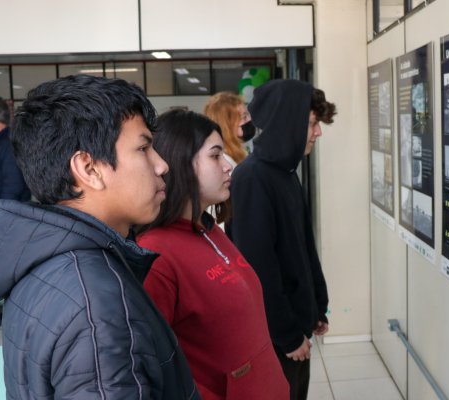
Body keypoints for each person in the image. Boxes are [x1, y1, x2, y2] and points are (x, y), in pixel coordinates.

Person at [0, 75, 200, 399]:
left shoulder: (44, 258)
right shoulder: (97, 307)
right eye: (143, 148)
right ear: (88, 169)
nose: (161, 165)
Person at [137, 109, 288, 400]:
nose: (228, 166)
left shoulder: (207, 229)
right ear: (180, 162)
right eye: (215, 155)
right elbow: (153, 367)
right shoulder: (156, 255)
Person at [230, 79, 336, 400]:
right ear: (287, 122)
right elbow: (259, 268)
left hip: (294, 324)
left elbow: (303, 249)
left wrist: (317, 305)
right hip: (276, 338)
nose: (317, 133)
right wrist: (288, 335)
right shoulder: (252, 178)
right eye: (312, 124)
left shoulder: (285, 174)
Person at [203, 92, 255, 168]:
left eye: (247, 114)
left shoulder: (236, 151)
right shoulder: (225, 161)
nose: (250, 119)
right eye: (244, 117)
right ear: (227, 125)